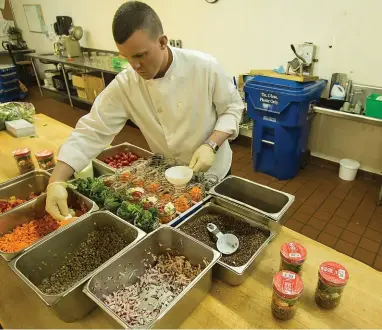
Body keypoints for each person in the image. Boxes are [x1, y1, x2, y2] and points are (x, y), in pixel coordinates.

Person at [46, 1, 244, 221]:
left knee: (222, 221)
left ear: (162, 42)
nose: (134, 66)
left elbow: (233, 108)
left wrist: (211, 144)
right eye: (126, 57)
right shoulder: (127, 84)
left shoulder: (203, 67)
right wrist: (56, 181)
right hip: (168, 176)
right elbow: (92, 129)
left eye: (140, 55)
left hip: (214, 171)